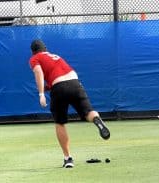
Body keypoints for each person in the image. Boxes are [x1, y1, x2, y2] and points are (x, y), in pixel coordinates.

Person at [29, 39, 110, 168]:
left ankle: (68, 159)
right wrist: (49, 86)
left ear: (33, 51)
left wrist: (41, 94)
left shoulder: (35, 58)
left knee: (60, 123)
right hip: (75, 82)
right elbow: (61, 75)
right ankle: (97, 120)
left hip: (59, 87)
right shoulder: (55, 56)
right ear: (45, 48)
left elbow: (39, 72)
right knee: (88, 112)